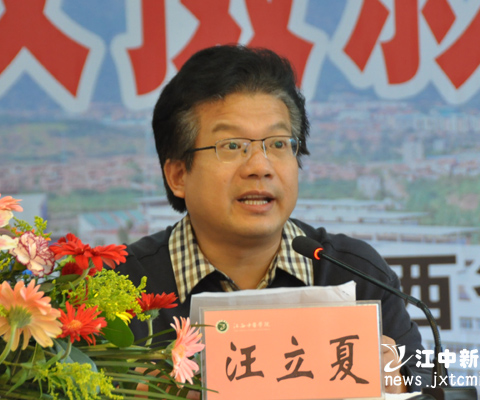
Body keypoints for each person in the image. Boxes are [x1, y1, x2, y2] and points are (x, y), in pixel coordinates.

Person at [116, 44, 430, 393]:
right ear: (178, 175)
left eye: (278, 144)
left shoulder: (354, 272)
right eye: (231, 146)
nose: (260, 167)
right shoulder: (120, 287)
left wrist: (399, 388)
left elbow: (431, 388)